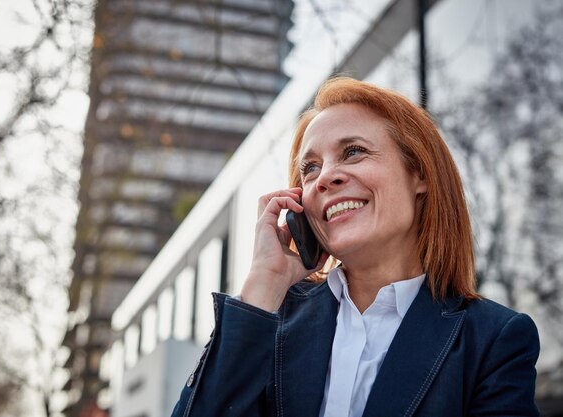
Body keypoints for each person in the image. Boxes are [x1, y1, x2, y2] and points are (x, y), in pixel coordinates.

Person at [171, 77, 540, 417]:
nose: (325, 177)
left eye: (353, 152)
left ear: (420, 173)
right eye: (310, 168)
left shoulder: (494, 341)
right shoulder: (269, 324)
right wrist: (262, 287)